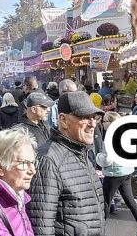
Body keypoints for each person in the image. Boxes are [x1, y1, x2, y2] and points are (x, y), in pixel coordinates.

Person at [27, 91, 105, 236]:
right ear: (63, 120)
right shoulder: (48, 160)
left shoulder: (81, 151)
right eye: (85, 118)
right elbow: (41, 225)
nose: (93, 124)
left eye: (94, 118)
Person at [94, 112, 137, 235]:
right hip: (126, 171)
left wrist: (98, 157)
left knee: (106, 201)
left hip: (114, 172)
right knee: (130, 201)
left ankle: (98, 231)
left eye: (105, 121)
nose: (102, 124)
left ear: (111, 122)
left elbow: (107, 159)